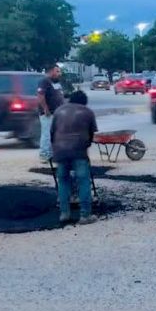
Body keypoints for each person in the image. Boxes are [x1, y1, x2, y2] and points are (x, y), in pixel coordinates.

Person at [50, 90, 98, 223]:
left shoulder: (59, 111)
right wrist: (86, 146)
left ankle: (64, 213)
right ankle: (85, 215)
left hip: (60, 151)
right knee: (83, 181)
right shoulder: (87, 112)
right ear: (84, 102)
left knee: (63, 181)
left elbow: (52, 132)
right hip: (79, 151)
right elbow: (91, 134)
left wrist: (55, 149)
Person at [37, 65, 65, 161]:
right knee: (47, 134)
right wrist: (45, 108)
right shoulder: (44, 81)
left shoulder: (56, 82)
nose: (59, 74)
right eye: (57, 71)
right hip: (48, 113)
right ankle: (45, 155)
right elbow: (40, 95)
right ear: (51, 71)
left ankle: (53, 153)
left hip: (57, 113)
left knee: (55, 134)